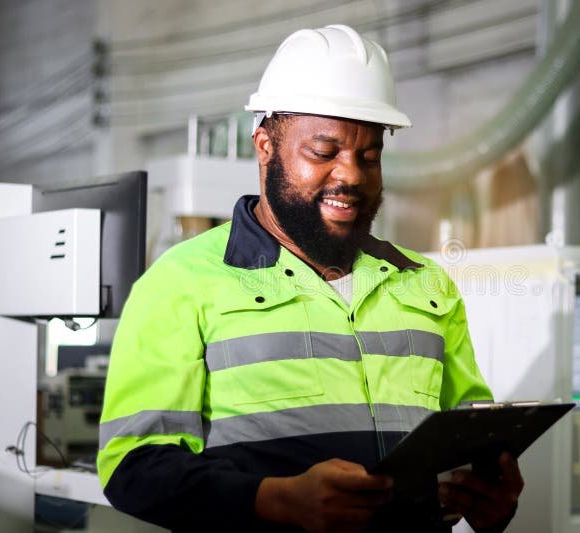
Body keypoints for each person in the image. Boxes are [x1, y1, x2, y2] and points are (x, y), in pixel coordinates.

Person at [97, 24, 523, 532]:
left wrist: (493, 499)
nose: (351, 175)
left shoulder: (425, 283)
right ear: (265, 145)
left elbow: (470, 435)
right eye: (324, 153)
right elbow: (133, 468)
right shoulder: (181, 281)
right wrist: (272, 499)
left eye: (369, 157)